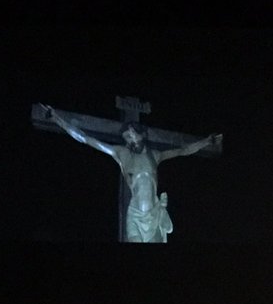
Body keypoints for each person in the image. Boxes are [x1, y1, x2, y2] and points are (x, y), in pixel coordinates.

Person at [43, 104, 221, 243]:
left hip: (154, 215)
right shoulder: (120, 153)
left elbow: (183, 150)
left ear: (143, 135)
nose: (131, 139)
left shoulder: (155, 155)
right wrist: (57, 118)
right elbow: (86, 139)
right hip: (135, 216)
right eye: (127, 137)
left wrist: (207, 141)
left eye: (134, 135)